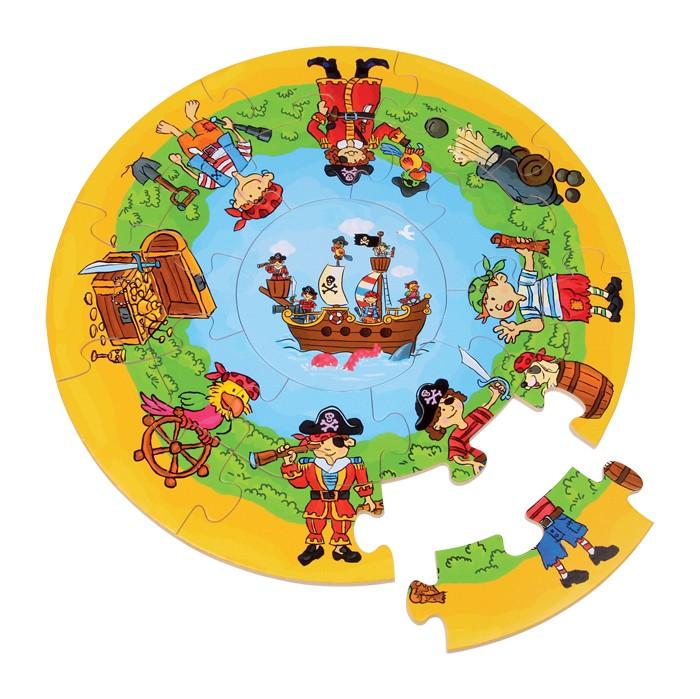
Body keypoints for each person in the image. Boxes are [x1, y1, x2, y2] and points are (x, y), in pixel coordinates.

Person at [156, 99, 282, 230]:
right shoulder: (244, 161)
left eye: (251, 197)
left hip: (199, 153)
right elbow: (242, 144)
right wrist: (232, 128)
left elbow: (198, 177)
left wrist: (180, 163)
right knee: (205, 127)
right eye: (260, 188)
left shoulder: (219, 182)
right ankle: (192, 117)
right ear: (266, 178)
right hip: (217, 139)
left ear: (240, 202)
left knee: (185, 141)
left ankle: (173, 130)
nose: (252, 190)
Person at [468, 239, 623, 343]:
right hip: (561, 306)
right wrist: (518, 328)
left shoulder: (523, 284)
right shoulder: (526, 310)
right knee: (585, 307)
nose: (498, 306)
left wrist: (528, 255)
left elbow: (529, 267)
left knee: (584, 288)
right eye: (493, 310)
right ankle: (609, 313)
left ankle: (607, 294)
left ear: (501, 278)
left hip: (559, 284)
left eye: (493, 300)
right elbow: (538, 325)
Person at [277, 406, 376, 566]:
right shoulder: (308, 465)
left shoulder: (354, 465)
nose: (327, 447)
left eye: (336, 442)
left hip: (342, 502)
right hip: (318, 502)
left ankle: (340, 548)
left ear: (348, 443)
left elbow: (362, 481)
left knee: (341, 523)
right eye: (320, 443)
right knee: (314, 523)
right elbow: (300, 483)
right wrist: (289, 464)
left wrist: (368, 499)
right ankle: (314, 548)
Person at [306, 56, 412, 186]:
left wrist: (321, 114)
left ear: (336, 157)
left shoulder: (328, 142)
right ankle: (364, 67)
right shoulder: (371, 142)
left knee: (334, 88)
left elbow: (312, 128)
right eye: (355, 161)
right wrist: (403, 141)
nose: (351, 157)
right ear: (363, 158)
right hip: (364, 109)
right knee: (363, 90)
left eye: (345, 160)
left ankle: (328, 66)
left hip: (336, 110)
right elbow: (384, 128)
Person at [527, 495, 619, 588]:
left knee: (575, 533)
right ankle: (566, 576)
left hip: (553, 515)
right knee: (551, 554)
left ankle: (594, 552)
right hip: (537, 529)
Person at [414, 378, 504, 473]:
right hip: (478, 460)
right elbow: (457, 459)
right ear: (436, 426)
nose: (450, 407)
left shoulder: (470, 418)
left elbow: (486, 408)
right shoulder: (454, 438)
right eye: (441, 411)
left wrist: (495, 395)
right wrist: (472, 463)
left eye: (449, 401)